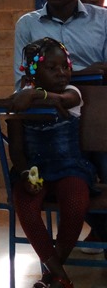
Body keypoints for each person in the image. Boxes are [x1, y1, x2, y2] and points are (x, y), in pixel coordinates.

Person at [7, 37, 96, 288]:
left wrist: (35, 94)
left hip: (70, 168)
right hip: (34, 169)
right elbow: (16, 149)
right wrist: (25, 173)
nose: (61, 73)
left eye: (65, 66)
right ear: (33, 73)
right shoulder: (18, 100)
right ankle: (59, 277)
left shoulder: (73, 92)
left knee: (76, 203)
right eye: (52, 68)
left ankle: (51, 275)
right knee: (25, 205)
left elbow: (65, 100)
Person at [14, 0, 107, 91]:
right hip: (45, 103)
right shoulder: (27, 25)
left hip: (97, 102)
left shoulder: (103, 19)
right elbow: (24, 83)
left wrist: (48, 76)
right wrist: (85, 73)